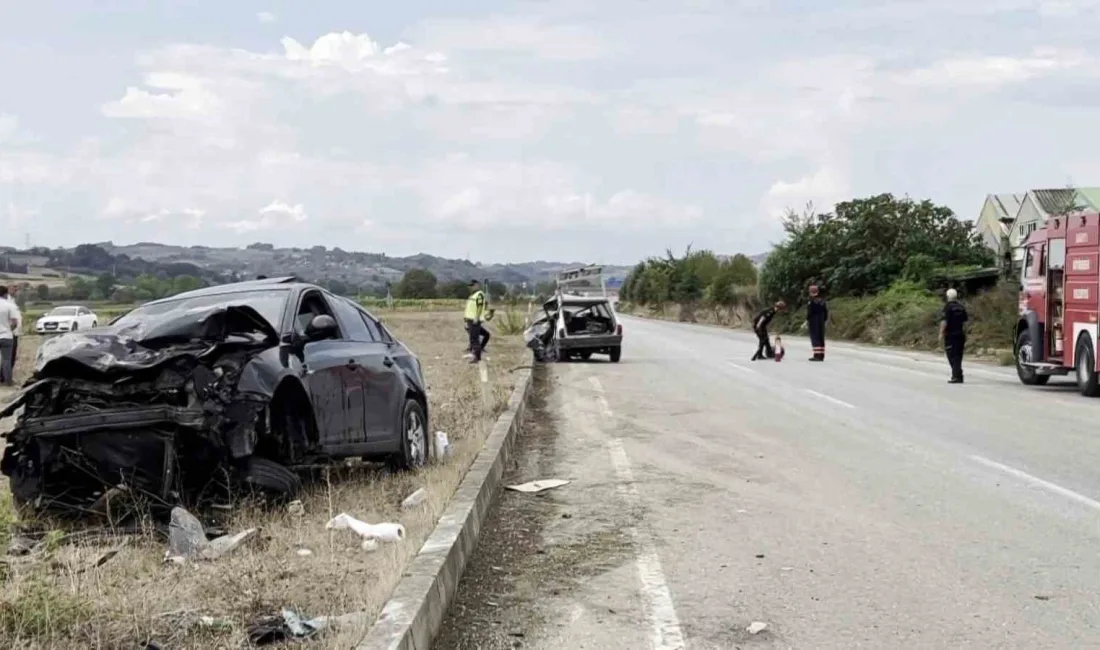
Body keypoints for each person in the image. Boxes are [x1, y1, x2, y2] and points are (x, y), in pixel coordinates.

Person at [940, 288, 968, 384]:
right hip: (960, 334)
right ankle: (958, 375)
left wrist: (941, 333)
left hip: (951, 335)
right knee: (958, 356)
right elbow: (965, 323)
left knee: (951, 356)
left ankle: (956, 376)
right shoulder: (961, 307)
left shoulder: (947, 307)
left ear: (947, 297)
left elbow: (944, 321)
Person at [464, 280, 491, 363]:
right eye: (469, 286)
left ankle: (477, 357)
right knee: (481, 336)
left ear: (477, 285)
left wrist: (476, 317)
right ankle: (477, 351)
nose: (470, 287)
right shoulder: (472, 295)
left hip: (474, 320)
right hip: (470, 319)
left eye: (472, 285)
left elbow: (479, 307)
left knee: (474, 339)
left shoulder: (479, 294)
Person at [0, 286, 19, 386]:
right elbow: (15, 322)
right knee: (7, 359)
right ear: (5, 294)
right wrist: (8, 330)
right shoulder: (9, 305)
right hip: (6, 336)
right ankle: (8, 382)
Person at [806, 285, 829, 362]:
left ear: (810, 292)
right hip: (821, 320)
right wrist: (824, 320)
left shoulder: (811, 301)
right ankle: (821, 356)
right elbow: (826, 311)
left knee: (815, 337)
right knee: (820, 337)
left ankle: (817, 356)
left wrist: (807, 320)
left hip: (814, 320)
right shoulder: (822, 301)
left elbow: (810, 312)